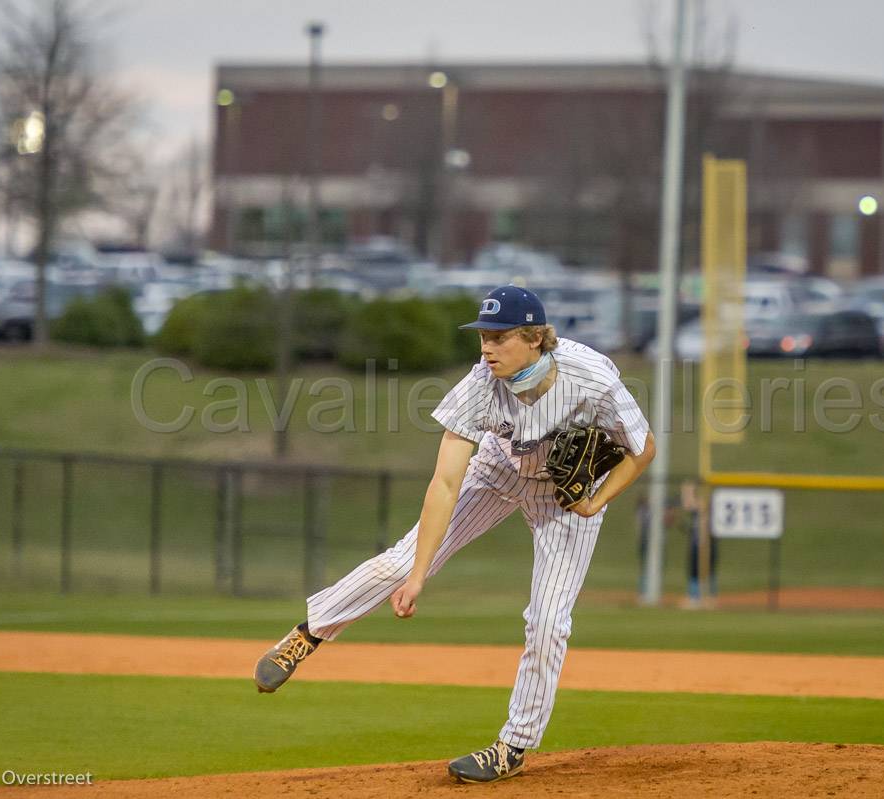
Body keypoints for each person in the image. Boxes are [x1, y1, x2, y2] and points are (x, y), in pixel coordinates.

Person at [253, 285, 655, 784]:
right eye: (483, 336)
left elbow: (642, 448)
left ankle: (513, 747)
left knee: (549, 622)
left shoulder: (591, 377)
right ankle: (308, 634)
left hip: (563, 497)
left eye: (498, 337)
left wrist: (595, 501)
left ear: (534, 337)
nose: (486, 348)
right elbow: (445, 483)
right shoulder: (479, 385)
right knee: (400, 563)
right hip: (495, 471)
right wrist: (420, 574)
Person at [681, 481, 717, 603]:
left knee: (709, 571)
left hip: (708, 543)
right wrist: (688, 489)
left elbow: (692, 504)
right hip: (697, 542)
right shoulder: (698, 506)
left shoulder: (710, 506)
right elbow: (688, 504)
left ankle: (710, 596)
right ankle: (694, 597)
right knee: (694, 570)